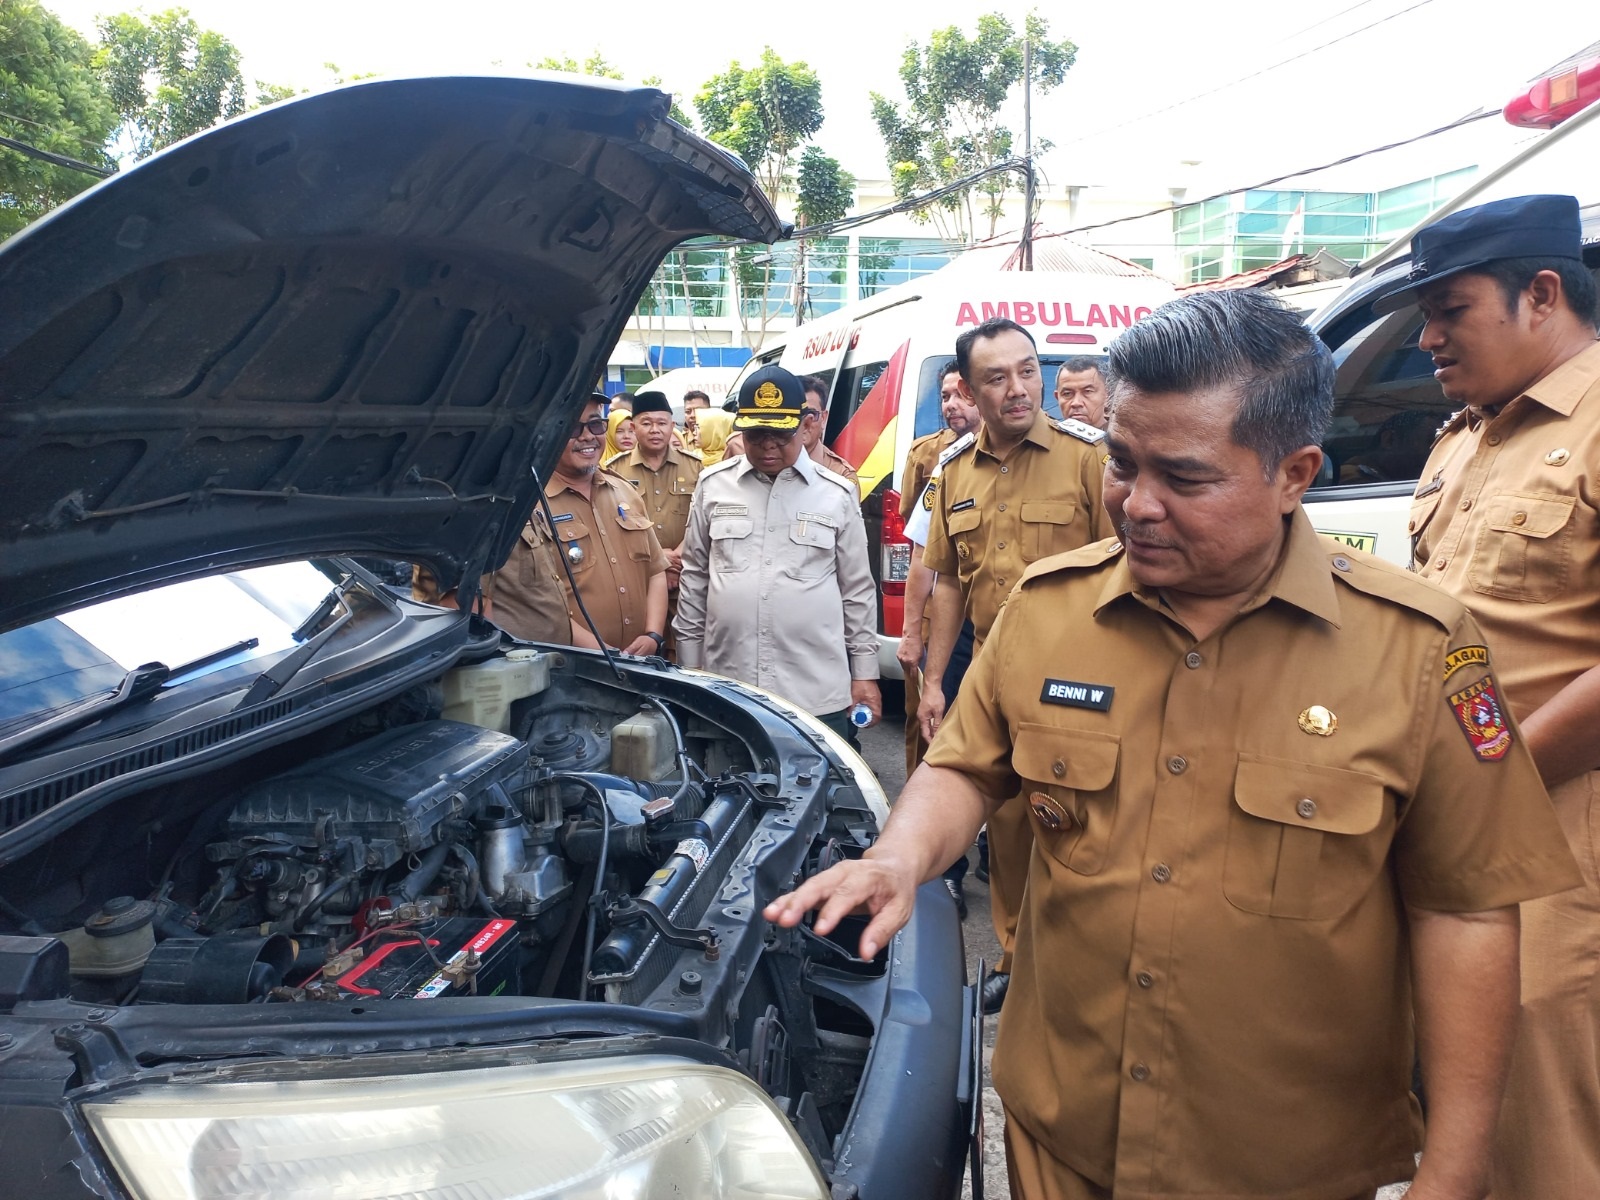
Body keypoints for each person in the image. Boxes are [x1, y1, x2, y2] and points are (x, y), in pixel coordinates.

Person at [767, 288, 1581, 1200]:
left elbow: (1466, 912)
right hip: (1062, 1135)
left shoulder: (1421, 652)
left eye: (1185, 478)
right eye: (1121, 463)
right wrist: (896, 860)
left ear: (1294, 474)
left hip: (1286, 1163)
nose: (1136, 505)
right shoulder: (1047, 609)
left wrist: (1460, 1167)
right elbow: (964, 765)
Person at [1379, 193, 1600, 1200]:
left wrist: (1491, 788)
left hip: (1561, 846)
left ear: (1539, 294)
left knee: (1543, 1128)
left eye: (1448, 310)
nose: (1425, 338)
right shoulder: (1467, 434)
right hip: (1451, 833)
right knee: (1456, 1117)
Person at [918, 317, 1116, 1012]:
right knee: (1005, 828)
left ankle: (1086, 965)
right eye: (997, 378)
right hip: (996, 682)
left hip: (1085, 682)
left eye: (1028, 371)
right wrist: (933, 682)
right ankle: (1015, 959)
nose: (1017, 389)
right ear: (970, 390)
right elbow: (946, 583)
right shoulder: (952, 473)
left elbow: (1126, 568)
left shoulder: (1088, 458)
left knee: (1082, 825)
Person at [674, 365, 881, 745]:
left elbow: (857, 590)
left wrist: (865, 673)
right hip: (729, 686)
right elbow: (695, 578)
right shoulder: (713, 486)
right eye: (756, 434)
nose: (768, 444)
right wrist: (690, 668)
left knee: (823, 796)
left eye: (780, 433)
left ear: (805, 426)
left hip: (815, 692)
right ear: (741, 431)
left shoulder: (836, 493)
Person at [895, 359, 981, 915]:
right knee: (941, 737)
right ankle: (943, 865)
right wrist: (911, 633)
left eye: (961, 394)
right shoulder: (945, 465)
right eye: (945, 395)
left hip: (1023, 634)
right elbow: (926, 560)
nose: (951, 404)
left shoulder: (1071, 460)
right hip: (959, 631)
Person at [539, 394, 670, 654]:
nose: (587, 436)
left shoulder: (625, 491)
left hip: (641, 662)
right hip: (575, 666)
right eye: (573, 427)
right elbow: (536, 603)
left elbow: (655, 570)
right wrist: (602, 653)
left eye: (596, 425)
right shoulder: (531, 505)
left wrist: (653, 635)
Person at [602, 391, 703, 661]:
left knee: (688, 658)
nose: (655, 430)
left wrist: (677, 556)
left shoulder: (697, 468)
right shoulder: (614, 472)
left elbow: (704, 521)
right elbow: (607, 527)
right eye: (646, 423)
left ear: (673, 426)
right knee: (639, 657)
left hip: (687, 580)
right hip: (638, 583)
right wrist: (660, 561)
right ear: (633, 428)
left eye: (662, 423)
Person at [799, 375, 861, 492]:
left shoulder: (842, 475)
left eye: (811, 414)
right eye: (795, 414)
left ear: (823, 418)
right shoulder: (771, 463)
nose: (803, 421)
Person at [1052, 354, 1111, 429]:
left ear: (1108, 396)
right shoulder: (1046, 439)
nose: (1076, 403)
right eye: (1067, 394)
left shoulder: (1123, 439)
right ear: (1057, 397)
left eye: (1087, 391)